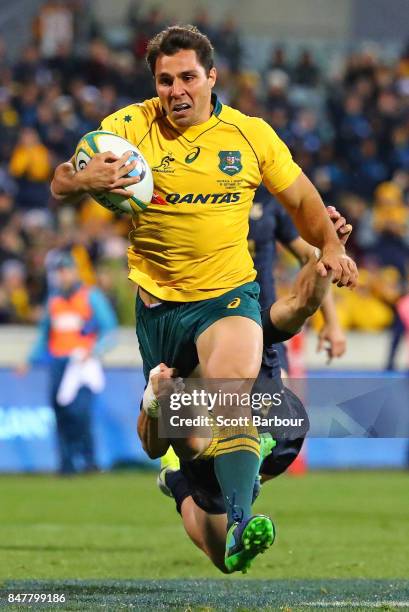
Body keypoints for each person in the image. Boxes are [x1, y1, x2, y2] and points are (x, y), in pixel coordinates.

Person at [50, 25, 358, 570]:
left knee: (234, 396)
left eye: (188, 77)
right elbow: (59, 181)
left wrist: (330, 246)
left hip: (229, 296)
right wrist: (80, 180)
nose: (176, 90)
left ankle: (243, 521)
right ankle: (189, 478)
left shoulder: (250, 135)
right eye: (165, 81)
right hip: (160, 309)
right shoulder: (127, 128)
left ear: (212, 78)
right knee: (181, 449)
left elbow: (303, 198)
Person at [138, 208, 352, 574]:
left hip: (273, 428)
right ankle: (179, 479)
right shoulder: (169, 347)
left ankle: (242, 476)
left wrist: (323, 253)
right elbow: (153, 443)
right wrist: (156, 404)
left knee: (274, 419)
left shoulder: (242, 317)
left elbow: (301, 303)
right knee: (224, 560)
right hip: (205, 440)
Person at [18, 252, 117, 474]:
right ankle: (66, 464)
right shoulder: (53, 300)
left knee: (79, 414)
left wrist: (94, 351)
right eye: (59, 272)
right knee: (60, 414)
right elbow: (44, 336)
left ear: (74, 271)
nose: (62, 276)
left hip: (81, 365)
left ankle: (88, 461)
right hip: (58, 363)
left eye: (66, 270)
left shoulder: (91, 297)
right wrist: (29, 361)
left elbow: (109, 329)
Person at [249, 185, 346, 372]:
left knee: (280, 390)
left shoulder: (268, 199)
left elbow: (313, 256)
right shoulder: (199, 197)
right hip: (212, 316)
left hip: (263, 318)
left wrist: (332, 323)